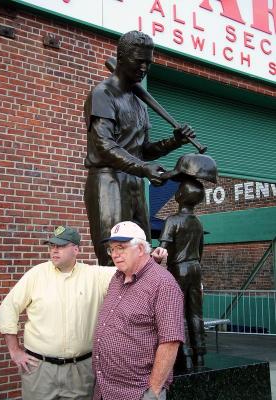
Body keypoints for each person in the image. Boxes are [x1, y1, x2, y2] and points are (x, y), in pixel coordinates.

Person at [0, 225, 167, 400]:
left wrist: (151, 259)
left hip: (81, 372)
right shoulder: (36, 275)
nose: (54, 250)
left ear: (76, 249)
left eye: (61, 246)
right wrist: (14, 350)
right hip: (40, 370)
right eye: (51, 246)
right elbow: (7, 308)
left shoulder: (94, 275)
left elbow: (130, 270)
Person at [84, 30, 195, 265]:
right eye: (139, 61)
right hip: (108, 180)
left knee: (141, 251)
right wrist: (144, 168)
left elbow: (142, 150)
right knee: (114, 253)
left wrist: (173, 141)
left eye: (149, 63)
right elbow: (104, 146)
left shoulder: (139, 103)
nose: (144, 68)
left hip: (134, 181)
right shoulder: (103, 94)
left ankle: (140, 301)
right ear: (121, 58)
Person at [92, 221, 184, 400]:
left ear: (141, 249)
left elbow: (170, 342)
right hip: (105, 388)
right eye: (112, 249)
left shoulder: (163, 284)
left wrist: (153, 393)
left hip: (136, 393)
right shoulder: (117, 278)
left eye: (121, 247)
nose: (115, 254)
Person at [159, 177, 206, 371]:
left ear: (179, 196)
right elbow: (201, 250)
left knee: (177, 312)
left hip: (179, 268)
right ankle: (200, 354)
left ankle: (184, 354)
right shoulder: (198, 223)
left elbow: (163, 248)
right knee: (195, 313)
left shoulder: (172, 220)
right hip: (196, 268)